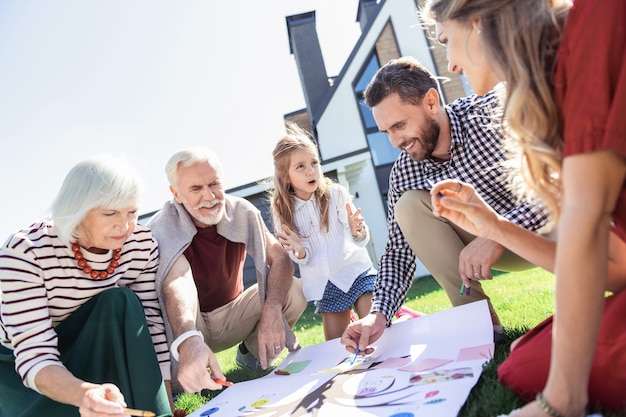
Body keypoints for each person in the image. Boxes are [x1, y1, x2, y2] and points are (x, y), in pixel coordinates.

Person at [421, 0, 626, 415]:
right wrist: (493, 226)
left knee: (527, 364)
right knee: (524, 355)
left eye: (448, 42)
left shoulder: (594, 22)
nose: (452, 65)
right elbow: (618, 269)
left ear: (477, 22)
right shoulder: (553, 77)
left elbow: (584, 225)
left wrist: (559, 402)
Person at [340, 56, 549, 351]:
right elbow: (398, 252)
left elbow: (558, 184)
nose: (395, 142)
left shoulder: (491, 115)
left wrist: (496, 232)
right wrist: (378, 315)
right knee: (409, 207)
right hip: (489, 250)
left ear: (430, 102)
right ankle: (481, 325)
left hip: (548, 230)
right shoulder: (404, 171)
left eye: (400, 125)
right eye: (386, 131)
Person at [0, 155, 171, 417]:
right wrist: (84, 394)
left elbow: (151, 326)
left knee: (121, 300)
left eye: (132, 212)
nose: (124, 226)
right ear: (77, 209)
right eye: (110, 213)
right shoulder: (25, 251)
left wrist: (163, 406)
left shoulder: (141, 244)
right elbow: (34, 354)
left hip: (87, 341)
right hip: (19, 362)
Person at [148, 147, 307, 395]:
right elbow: (176, 284)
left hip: (233, 314)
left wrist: (273, 308)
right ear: (176, 194)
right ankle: (191, 363)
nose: (209, 196)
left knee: (295, 291)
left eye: (214, 184)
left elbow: (280, 258)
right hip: (189, 323)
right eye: (196, 189)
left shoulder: (242, 212)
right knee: (179, 276)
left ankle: (252, 355)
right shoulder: (160, 228)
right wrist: (188, 337)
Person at [269, 124, 378, 341]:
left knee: (376, 328)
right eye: (300, 166)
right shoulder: (282, 210)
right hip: (326, 284)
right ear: (286, 176)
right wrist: (299, 251)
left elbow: (359, 238)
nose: (311, 170)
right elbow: (296, 254)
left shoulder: (335, 194)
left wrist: (358, 230)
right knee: (336, 347)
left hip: (356, 271)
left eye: (314, 163)